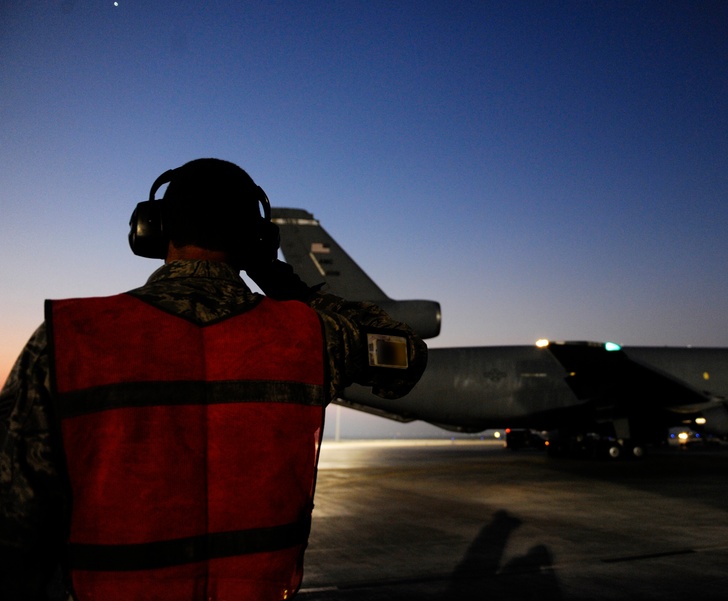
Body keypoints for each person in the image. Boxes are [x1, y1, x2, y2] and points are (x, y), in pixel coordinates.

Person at [0, 158, 427, 600]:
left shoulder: (69, 338)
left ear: (154, 229)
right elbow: (407, 352)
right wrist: (282, 281)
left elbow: (13, 530)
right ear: (257, 241)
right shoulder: (310, 337)